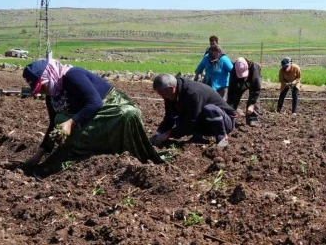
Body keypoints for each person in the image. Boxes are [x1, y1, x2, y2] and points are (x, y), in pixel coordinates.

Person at [22, 59, 161, 168]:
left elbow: (95, 103)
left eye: (41, 87)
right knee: (59, 119)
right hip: (91, 115)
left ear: (50, 76)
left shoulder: (72, 75)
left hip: (111, 107)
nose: (41, 91)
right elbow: (53, 123)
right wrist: (39, 154)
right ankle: (83, 152)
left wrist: (70, 123)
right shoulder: (52, 95)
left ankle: (125, 151)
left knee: (129, 113)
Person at [151, 73, 237, 149]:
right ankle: (198, 137)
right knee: (181, 113)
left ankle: (222, 137)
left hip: (225, 122)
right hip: (206, 121)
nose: (162, 97)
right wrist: (158, 134)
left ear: (172, 89)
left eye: (162, 94)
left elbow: (191, 122)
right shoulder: (171, 95)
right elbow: (169, 117)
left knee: (209, 109)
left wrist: (168, 134)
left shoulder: (193, 92)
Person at [227, 57, 262, 126]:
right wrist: (230, 105)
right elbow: (232, 89)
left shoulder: (254, 68)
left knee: (254, 99)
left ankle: (253, 119)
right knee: (233, 97)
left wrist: (252, 104)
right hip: (239, 82)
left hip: (251, 81)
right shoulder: (234, 70)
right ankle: (229, 118)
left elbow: (256, 88)